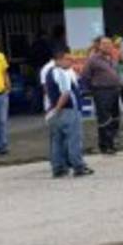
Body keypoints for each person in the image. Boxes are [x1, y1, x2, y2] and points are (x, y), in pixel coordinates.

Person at [44, 49, 93, 178]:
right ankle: (78, 166)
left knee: (57, 141)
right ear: (59, 60)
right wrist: (57, 110)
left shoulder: (50, 72)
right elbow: (65, 93)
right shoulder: (61, 73)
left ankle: (59, 168)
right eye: (68, 59)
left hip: (57, 111)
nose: (71, 62)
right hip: (67, 110)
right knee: (74, 139)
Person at [83, 37, 123, 155]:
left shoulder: (111, 58)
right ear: (98, 46)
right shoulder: (93, 60)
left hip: (115, 91)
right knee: (105, 119)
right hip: (102, 92)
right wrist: (91, 90)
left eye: (109, 44)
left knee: (115, 118)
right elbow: (85, 76)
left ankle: (112, 142)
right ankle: (106, 145)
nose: (107, 46)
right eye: (104, 44)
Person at [0, 37, 8, 156]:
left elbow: (4, 72)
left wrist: (8, 86)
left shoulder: (0, 56)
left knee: (2, 121)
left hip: (1, 93)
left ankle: (2, 146)